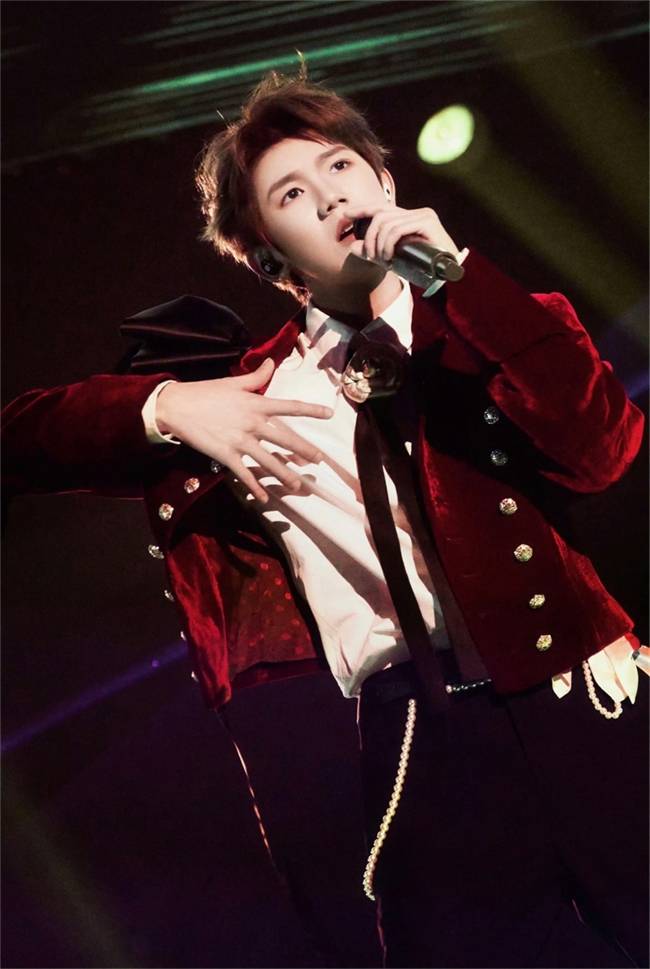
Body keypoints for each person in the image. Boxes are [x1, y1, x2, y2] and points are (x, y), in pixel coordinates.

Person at [3, 70, 648, 968]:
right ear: (268, 257)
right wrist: (166, 406)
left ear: (385, 181)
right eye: (292, 194)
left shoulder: (496, 324)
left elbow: (604, 449)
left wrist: (460, 282)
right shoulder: (252, 394)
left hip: (579, 692)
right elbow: (20, 442)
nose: (331, 193)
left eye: (342, 166)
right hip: (419, 739)